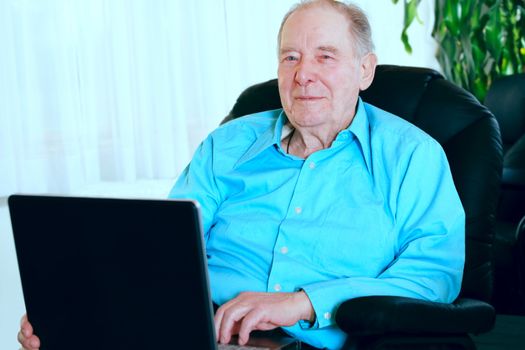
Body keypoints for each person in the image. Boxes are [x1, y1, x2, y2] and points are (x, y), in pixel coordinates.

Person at [18, 1, 465, 349]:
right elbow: (155, 249)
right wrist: (73, 306)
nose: (303, 74)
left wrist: (301, 303)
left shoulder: (413, 157)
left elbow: (433, 276)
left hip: (320, 342)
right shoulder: (227, 144)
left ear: (364, 69)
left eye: (325, 56)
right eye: (290, 57)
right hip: (200, 334)